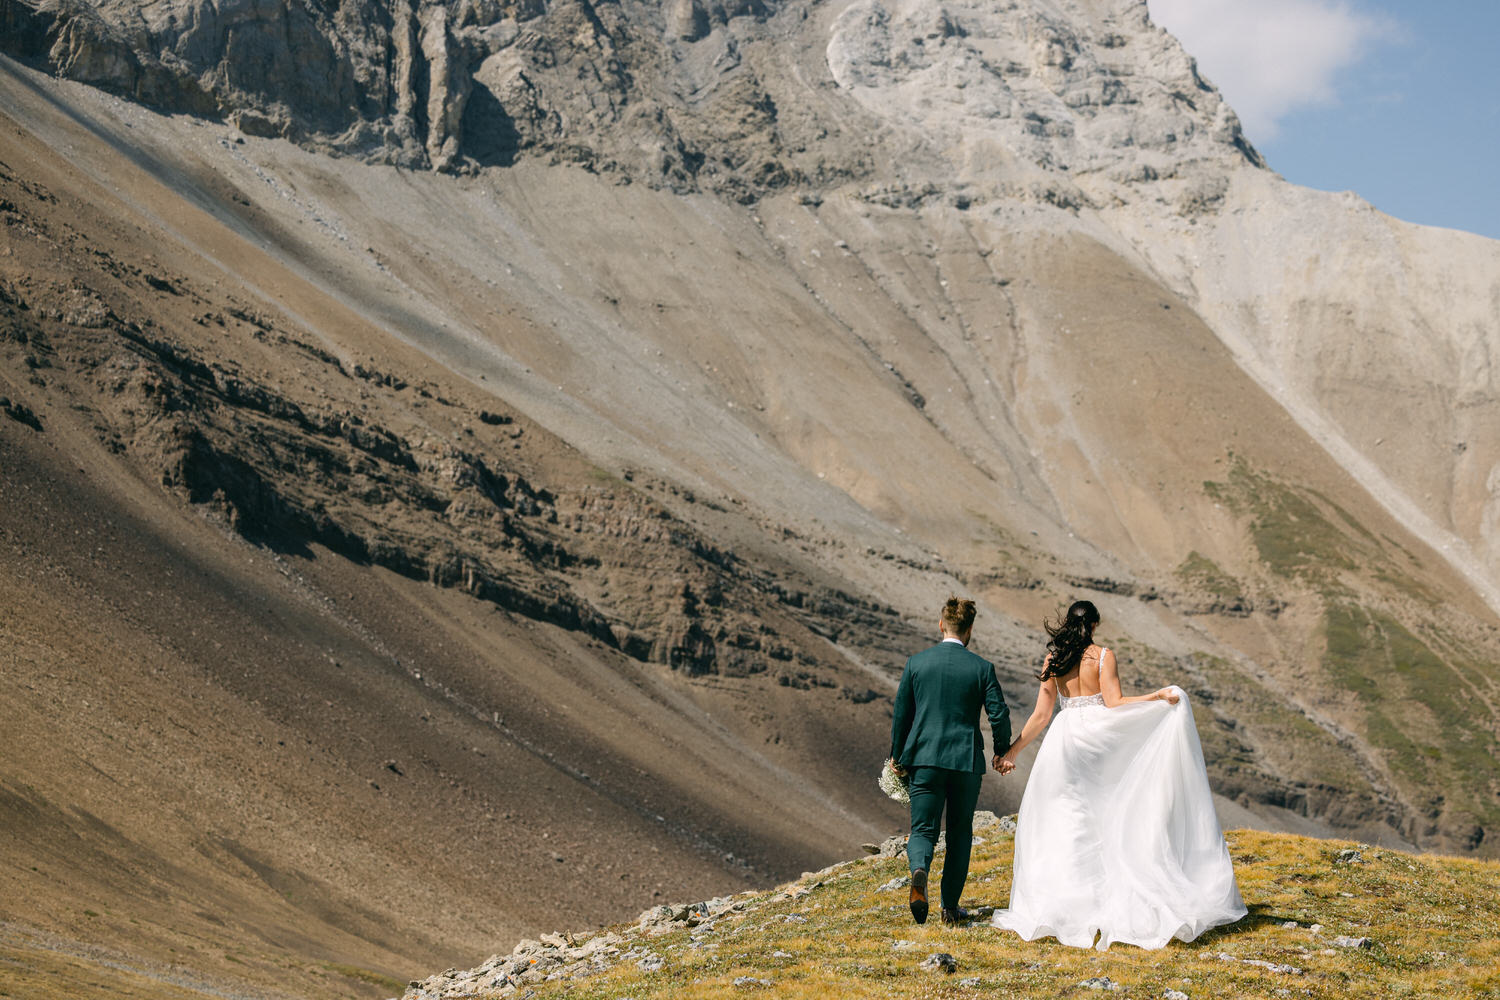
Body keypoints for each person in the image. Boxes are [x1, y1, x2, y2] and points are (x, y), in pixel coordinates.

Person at [991, 599, 1246, 950]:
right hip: (1099, 742)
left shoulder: (1054, 660)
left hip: (1064, 744)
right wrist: (1157, 696)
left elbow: (1040, 716)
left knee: (1067, 821)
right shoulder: (1102, 656)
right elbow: (1115, 704)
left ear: (1067, 624)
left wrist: (1011, 753)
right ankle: (1107, 900)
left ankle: (1065, 907)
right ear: (1094, 625)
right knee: (1107, 816)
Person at [889, 597, 1011, 925]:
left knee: (923, 830)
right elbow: (999, 713)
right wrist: (1002, 751)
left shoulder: (917, 663)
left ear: (941, 625)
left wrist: (897, 757)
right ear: (970, 630)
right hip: (965, 762)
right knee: (959, 833)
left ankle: (918, 872)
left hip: (925, 760)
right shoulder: (982, 668)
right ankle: (949, 908)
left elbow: (901, 715)